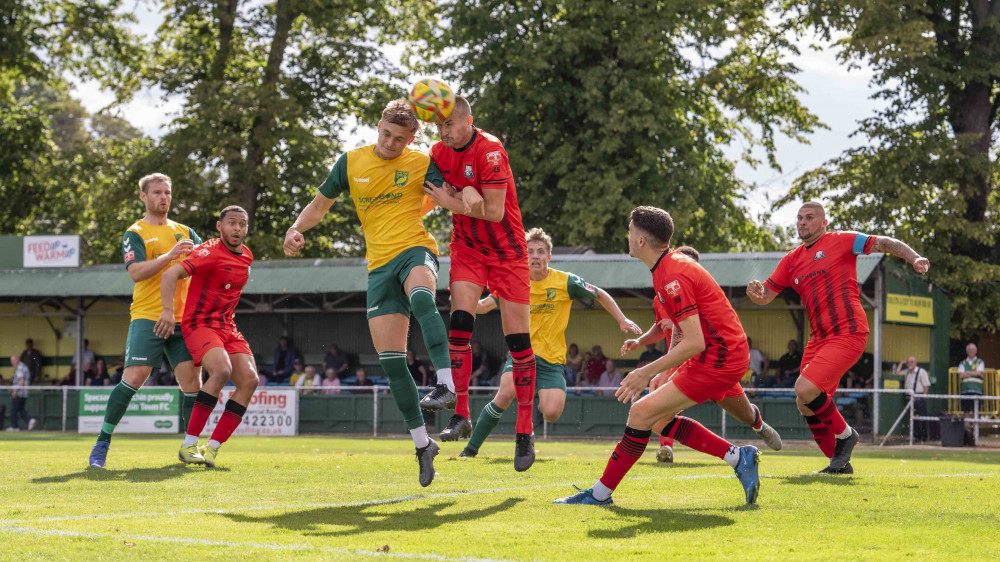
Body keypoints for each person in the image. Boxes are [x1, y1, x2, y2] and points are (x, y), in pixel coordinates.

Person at [283, 99, 460, 486]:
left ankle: (446, 384)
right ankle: (422, 445)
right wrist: (297, 228)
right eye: (386, 134)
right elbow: (319, 205)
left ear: (412, 138)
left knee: (422, 299)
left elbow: (451, 196)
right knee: (392, 362)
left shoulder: (420, 162)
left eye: (400, 139)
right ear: (378, 126)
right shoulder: (350, 162)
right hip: (378, 266)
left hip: (415, 249)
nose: (390, 143)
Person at [554, 206, 760, 506]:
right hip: (721, 354)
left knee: (640, 412)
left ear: (640, 241)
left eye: (629, 230)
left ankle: (600, 494)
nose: (627, 236)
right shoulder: (667, 268)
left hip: (719, 358)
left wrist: (644, 372)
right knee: (659, 421)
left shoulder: (673, 273)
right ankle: (738, 457)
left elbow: (694, 342)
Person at [747, 201, 930, 473]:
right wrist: (756, 294)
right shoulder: (791, 260)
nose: (802, 222)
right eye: (799, 218)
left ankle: (847, 435)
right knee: (805, 403)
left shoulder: (842, 240)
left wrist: (914, 257)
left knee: (804, 389)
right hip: (818, 339)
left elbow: (884, 242)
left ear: (823, 223)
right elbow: (767, 295)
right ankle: (839, 464)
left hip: (849, 331)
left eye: (809, 218)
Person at [419, 95, 537, 471]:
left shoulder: (490, 151)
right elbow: (434, 196)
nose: (444, 132)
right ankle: (462, 412)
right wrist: (461, 197)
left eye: (450, 125)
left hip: (508, 254)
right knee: (459, 326)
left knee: (518, 344)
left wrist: (459, 200)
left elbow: (495, 211)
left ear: (469, 120)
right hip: (467, 249)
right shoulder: (438, 152)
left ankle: (524, 429)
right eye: (439, 126)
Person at [460, 227, 640, 459]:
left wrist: (621, 318)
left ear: (549, 256)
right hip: (520, 355)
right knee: (505, 394)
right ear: (523, 256)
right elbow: (484, 306)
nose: (535, 256)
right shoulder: (512, 281)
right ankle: (470, 450)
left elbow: (599, 294)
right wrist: (464, 303)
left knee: (552, 412)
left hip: (552, 360)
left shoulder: (565, 282)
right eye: (530, 251)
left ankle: (529, 427)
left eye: (540, 251)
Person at [621, 245, 781, 464]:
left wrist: (659, 370)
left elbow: (682, 333)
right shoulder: (663, 293)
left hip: (716, 362)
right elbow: (663, 327)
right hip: (688, 364)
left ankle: (758, 425)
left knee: (744, 414)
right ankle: (668, 447)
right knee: (655, 416)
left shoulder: (691, 288)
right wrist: (641, 342)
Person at [88, 173, 204, 468]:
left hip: (183, 321)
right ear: (143, 197)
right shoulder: (135, 232)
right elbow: (136, 272)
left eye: (168, 192)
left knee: (192, 382)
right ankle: (102, 441)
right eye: (157, 192)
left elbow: (207, 262)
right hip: (148, 317)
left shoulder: (185, 230)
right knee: (135, 378)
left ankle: (190, 447)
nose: (163, 197)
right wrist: (170, 255)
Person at [156, 205, 257, 468]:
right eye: (232, 223)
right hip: (200, 324)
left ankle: (211, 449)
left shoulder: (247, 256)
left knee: (249, 380)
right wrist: (168, 311)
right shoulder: (210, 251)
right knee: (221, 371)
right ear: (219, 226)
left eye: (242, 224)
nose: (237, 229)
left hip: (227, 327)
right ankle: (189, 444)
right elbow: (170, 274)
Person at [895, 357, 930, 442]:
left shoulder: (921, 371)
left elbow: (926, 385)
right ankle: (916, 437)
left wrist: (923, 398)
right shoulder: (907, 371)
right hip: (909, 398)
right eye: (908, 363)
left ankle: (923, 437)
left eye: (911, 362)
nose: (910, 364)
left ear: (915, 363)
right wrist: (901, 363)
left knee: (921, 418)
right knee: (913, 418)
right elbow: (897, 373)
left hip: (919, 397)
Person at [8, 355, 36, 431]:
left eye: (13, 360)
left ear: (18, 360)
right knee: (20, 409)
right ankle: (30, 420)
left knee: (14, 410)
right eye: (11, 361)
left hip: (20, 393)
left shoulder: (20, 368)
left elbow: (21, 381)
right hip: (24, 392)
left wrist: (15, 391)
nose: (12, 362)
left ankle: (14, 427)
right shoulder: (23, 367)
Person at [958, 343, 985, 415]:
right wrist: (974, 373)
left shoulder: (980, 362)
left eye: (973, 349)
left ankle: (975, 426)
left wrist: (967, 372)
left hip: (977, 390)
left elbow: (979, 373)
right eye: (969, 349)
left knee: (976, 411)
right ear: (966, 351)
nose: (971, 351)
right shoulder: (962, 363)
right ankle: (966, 426)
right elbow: (961, 375)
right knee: (965, 411)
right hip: (965, 390)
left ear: (976, 351)